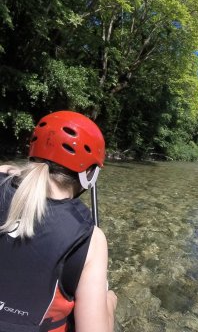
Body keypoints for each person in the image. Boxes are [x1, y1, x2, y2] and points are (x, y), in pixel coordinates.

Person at [0, 111, 117, 332]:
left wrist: (17, 172)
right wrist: (109, 302)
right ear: (89, 175)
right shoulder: (90, 239)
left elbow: (6, 170)